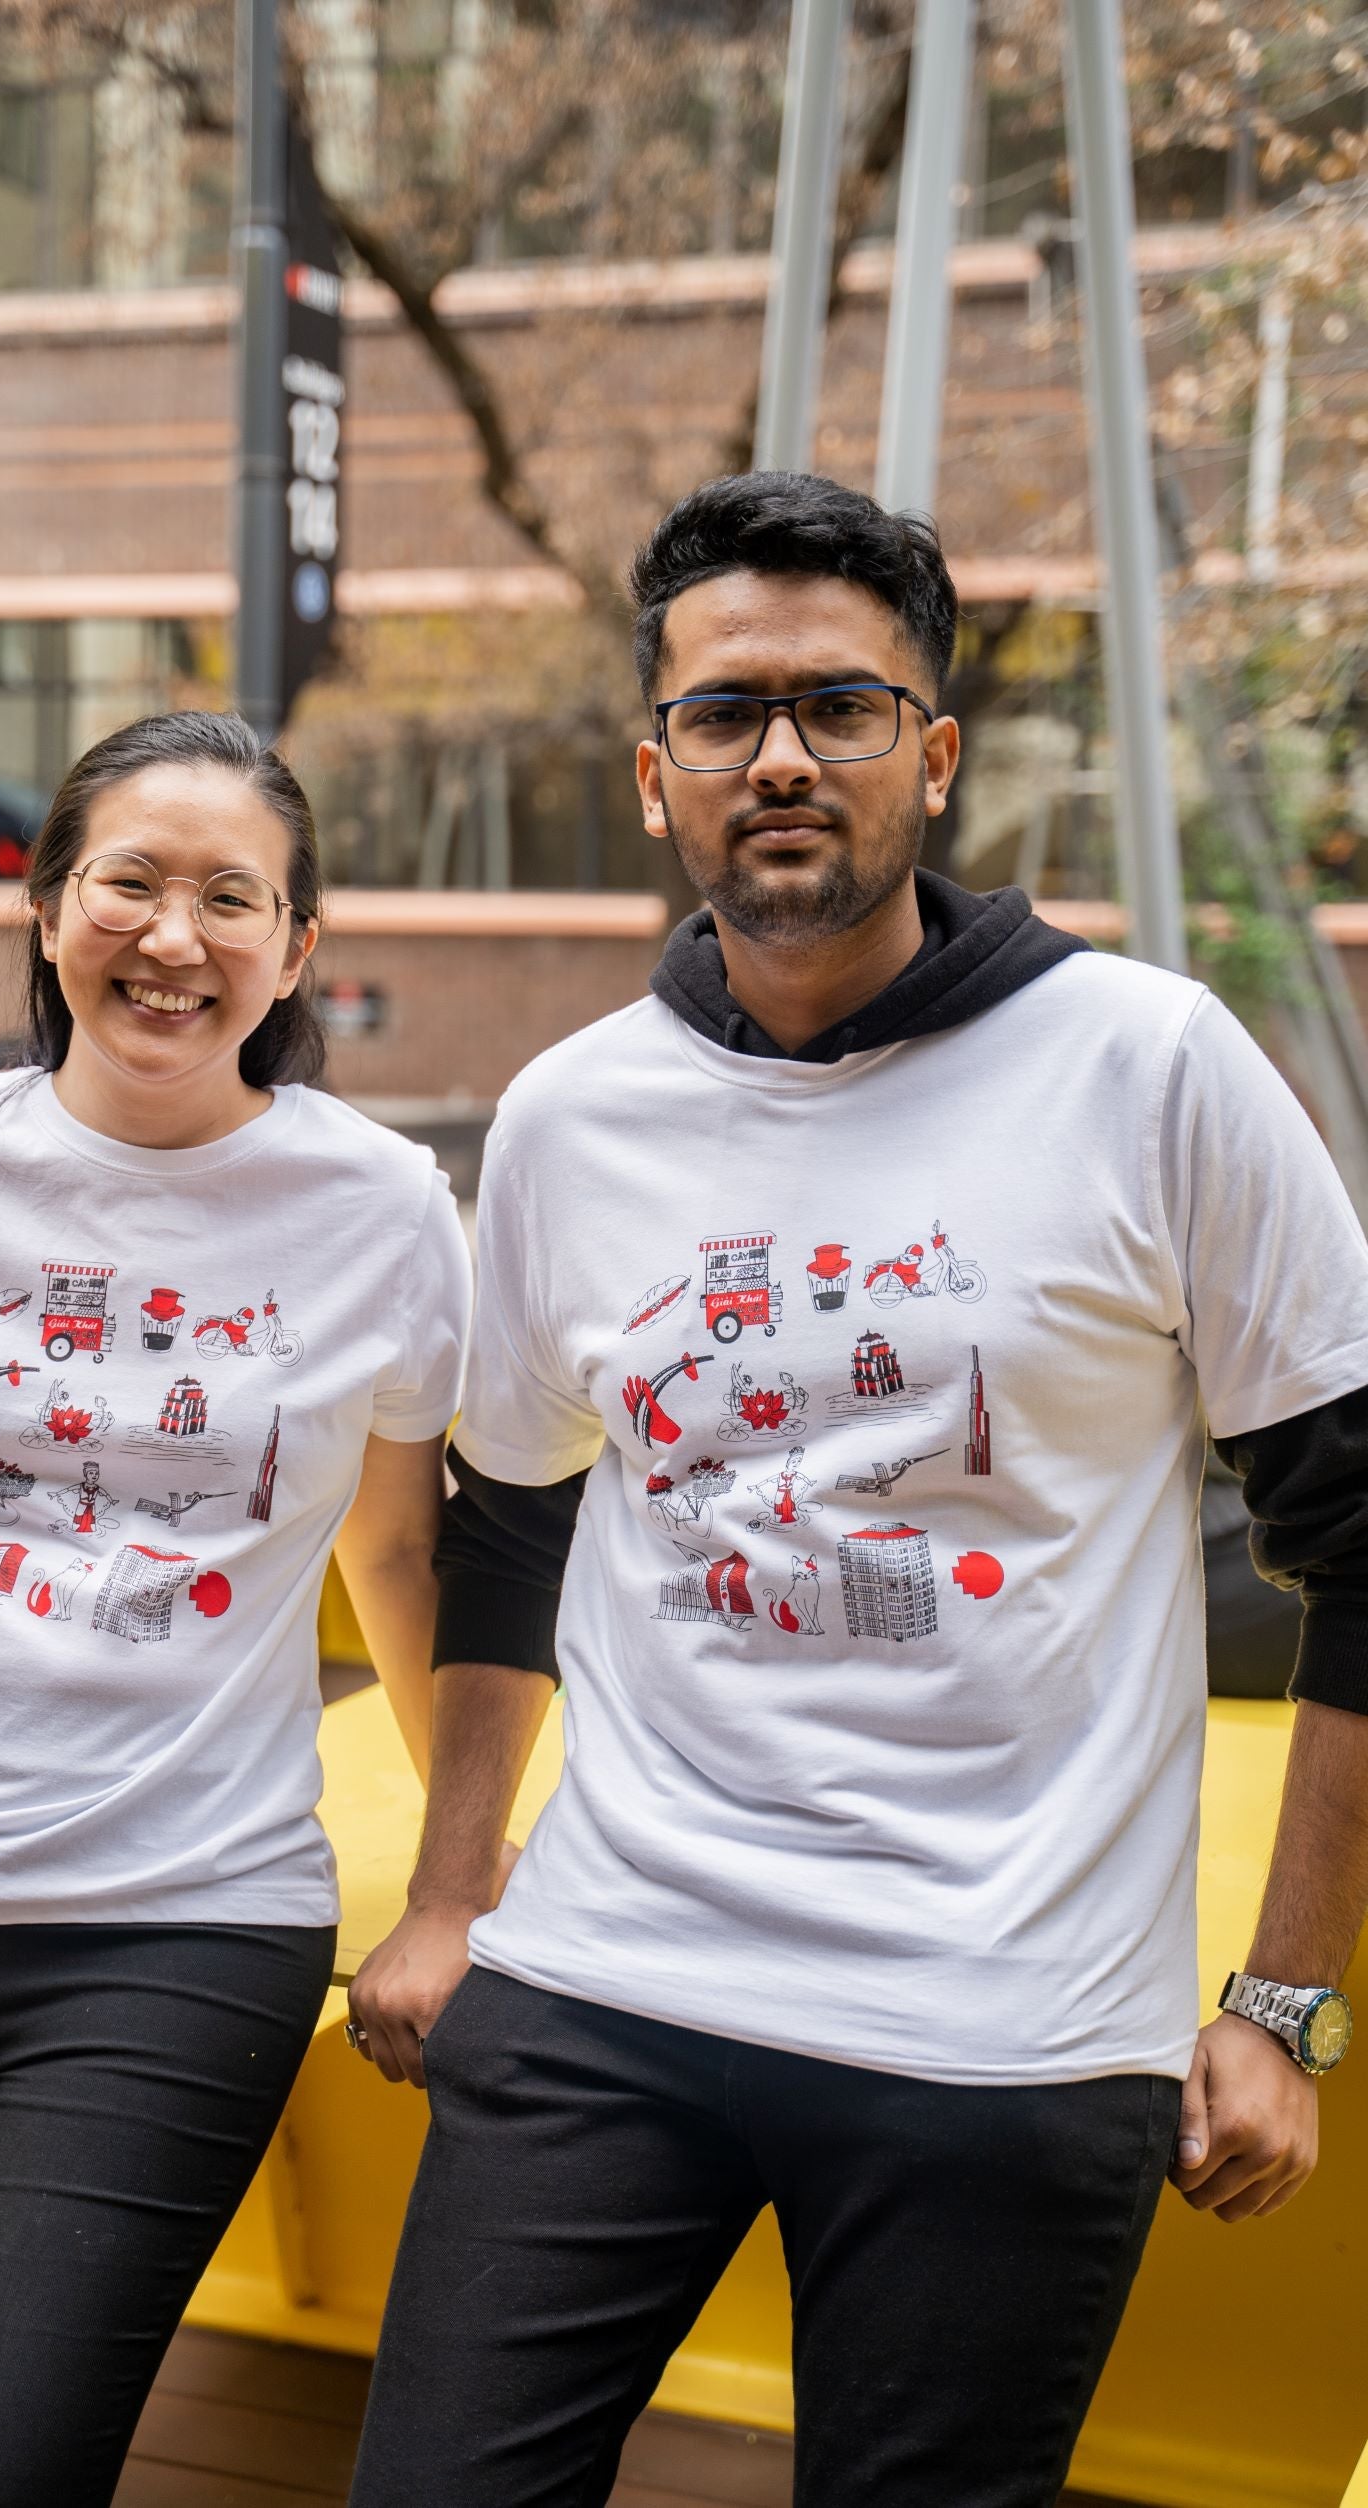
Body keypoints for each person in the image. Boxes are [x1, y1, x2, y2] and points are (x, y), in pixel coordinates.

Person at [344, 473, 1368, 2508]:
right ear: (654, 778)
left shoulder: (1149, 1071)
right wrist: (454, 1894)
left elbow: (1354, 1536)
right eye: (723, 714)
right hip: (608, 1979)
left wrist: (1284, 2001)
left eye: (837, 703)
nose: (779, 755)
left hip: (1002, 2027)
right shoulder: (570, 1113)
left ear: (932, 752)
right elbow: (515, 1518)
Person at [0, 709, 472, 2508]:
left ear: (296, 950)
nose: (173, 934)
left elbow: (400, 1558)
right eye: (129, 880)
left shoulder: (380, 1208)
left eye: (234, 896)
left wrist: (465, 1873)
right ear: (51, 907)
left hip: (179, 1920)